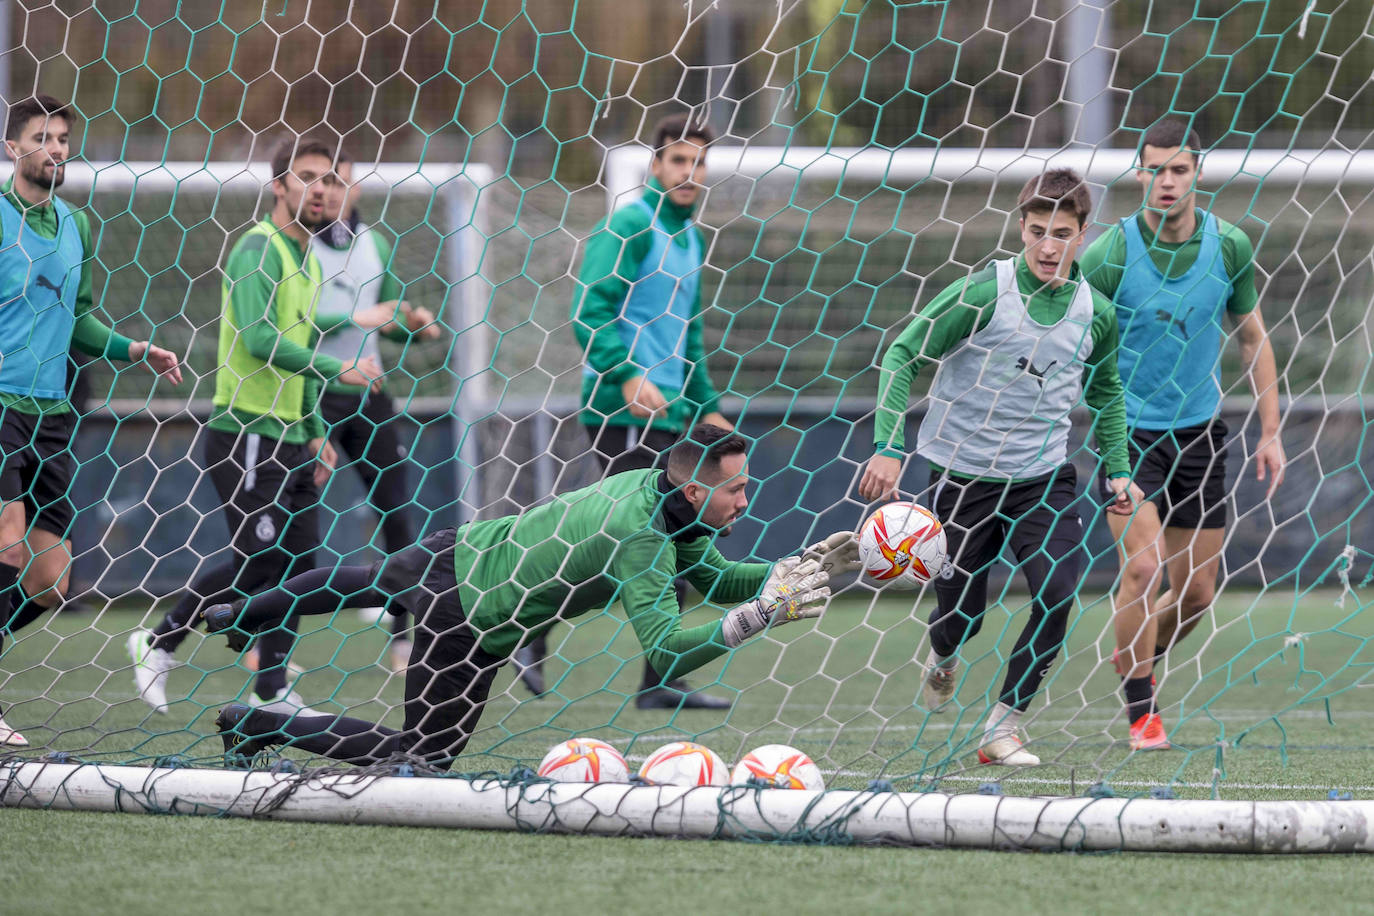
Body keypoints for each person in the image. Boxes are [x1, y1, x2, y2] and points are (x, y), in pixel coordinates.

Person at [207, 425, 859, 769]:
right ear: (694, 493)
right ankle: (258, 722)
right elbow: (665, 647)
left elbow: (714, 577)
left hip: (459, 547)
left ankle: (240, 610)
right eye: (735, 492)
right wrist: (759, 616)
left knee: (367, 577)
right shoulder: (644, 538)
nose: (745, 501)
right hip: (466, 612)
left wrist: (789, 570)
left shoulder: (658, 491)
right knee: (423, 757)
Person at [858, 168, 1142, 767]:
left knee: (1059, 593)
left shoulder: (1097, 312)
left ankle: (1004, 725)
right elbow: (904, 352)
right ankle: (942, 657)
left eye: (1062, 233)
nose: (1047, 246)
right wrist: (888, 444)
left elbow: (1108, 391)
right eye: (1037, 231)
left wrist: (1117, 467)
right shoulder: (983, 293)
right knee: (962, 616)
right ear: (1020, 225)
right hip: (961, 478)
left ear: (1083, 233)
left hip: (1044, 478)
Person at [127, 137, 381, 716]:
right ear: (279, 186)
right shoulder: (256, 249)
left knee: (298, 568)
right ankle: (158, 640)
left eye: (331, 180)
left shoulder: (310, 260)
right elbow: (262, 340)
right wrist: (340, 367)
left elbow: (301, 346)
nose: (321, 189)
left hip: (292, 435)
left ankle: (273, 692)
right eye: (308, 177)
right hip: (246, 432)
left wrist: (316, 428)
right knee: (257, 565)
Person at [1079, 118, 1285, 750]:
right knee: (1141, 571)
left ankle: (1137, 651)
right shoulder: (1109, 254)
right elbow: (1072, 339)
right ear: (1138, 174)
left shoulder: (1229, 247)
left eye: (1178, 169)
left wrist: (1270, 432)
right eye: (1154, 169)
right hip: (1125, 437)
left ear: (1197, 173)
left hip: (1199, 435)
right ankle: (1142, 708)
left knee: (1196, 592)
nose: (1166, 181)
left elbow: (1253, 337)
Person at [518, 112, 732, 710]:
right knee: (626, 542)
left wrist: (710, 411)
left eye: (698, 162)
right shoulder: (633, 223)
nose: (689, 172)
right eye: (678, 160)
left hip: (672, 415)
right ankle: (526, 628)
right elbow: (591, 310)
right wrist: (627, 374)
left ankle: (658, 679)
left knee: (678, 538)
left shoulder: (690, 238)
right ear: (656, 166)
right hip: (621, 410)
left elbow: (687, 340)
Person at [0, 95, 182, 747]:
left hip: (53, 413)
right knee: (8, 546)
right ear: (12, 147)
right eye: (40, 137)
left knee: (50, 583)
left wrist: (134, 349)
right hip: (1, 406)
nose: (54, 148)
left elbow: (76, 319)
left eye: (62, 138)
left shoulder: (76, 225)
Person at [309, 148, 440, 673]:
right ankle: (264, 645)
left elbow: (387, 320)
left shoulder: (375, 243)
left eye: (343, 183)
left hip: (370, 394)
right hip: (311, 391)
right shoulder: (294, 249)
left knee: (397, 513)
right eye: (324, 183)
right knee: (290, 518)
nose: (334, 192)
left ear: (356, 189)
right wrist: (358, 316)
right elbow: (293, 321)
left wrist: (414, 323)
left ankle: (403, 639)